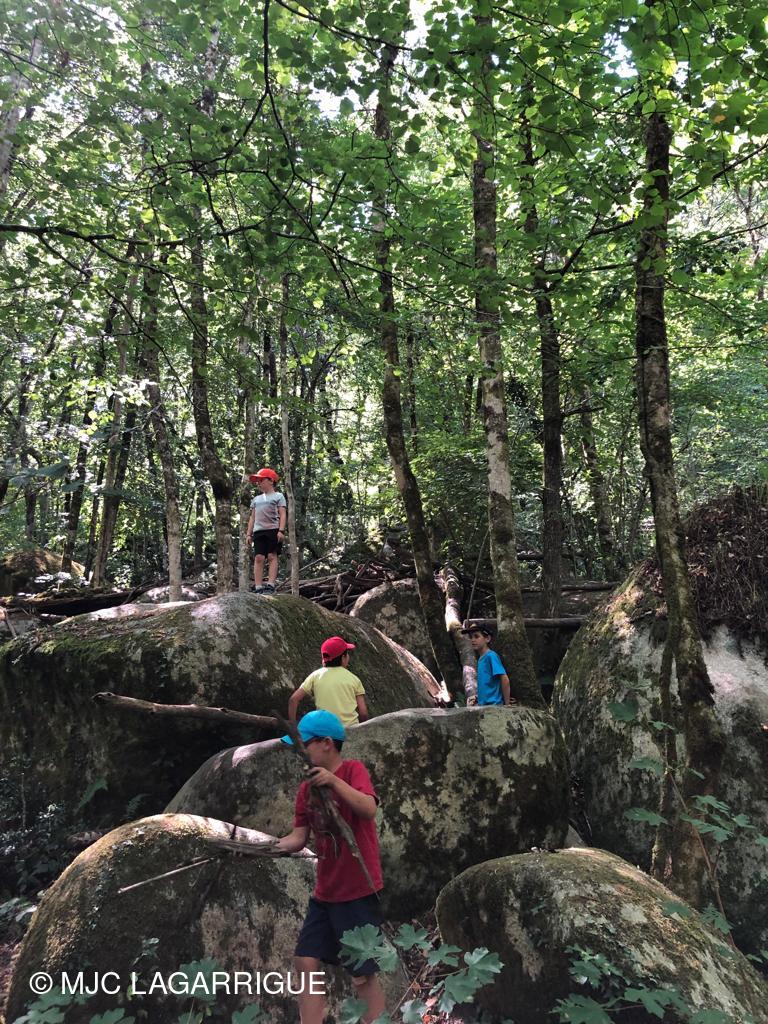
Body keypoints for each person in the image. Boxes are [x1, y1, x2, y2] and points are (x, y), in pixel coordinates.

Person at [275, 710, 385, 1024]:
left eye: (305, 745)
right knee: (305, 960)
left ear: (326, 743)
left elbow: (368, 808)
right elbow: (298, 838)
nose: (301, 753)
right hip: (326, 892)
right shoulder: (306, 789)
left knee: (362, 974)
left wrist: (334, 782)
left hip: (357, 890)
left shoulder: (352, 771)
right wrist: (263, 848)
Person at [288, 636, 369, 728]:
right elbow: (363, 713)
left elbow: (293, 700)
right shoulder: (354, 679)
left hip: (325, 731)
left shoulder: (315, 676)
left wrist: (293, 726)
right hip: (350, 729)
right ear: (343, 657)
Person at [246, 467, 287, 594]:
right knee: (259, 557)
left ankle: (270, 585)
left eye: (261, 480)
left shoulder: (278, 496)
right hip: (259, 531)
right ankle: (258, 586)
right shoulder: (256, 499)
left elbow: (283, 514)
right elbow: (252, 517)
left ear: (271, 481)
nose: (258, 483)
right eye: (257, 481)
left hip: (273, 530)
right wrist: (249, 534)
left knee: (271, 556)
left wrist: (281, 530)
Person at [461, 625, 517, 707]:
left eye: (476, 636)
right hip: (484, 706)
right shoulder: (481, 659)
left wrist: (507, 703)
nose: (473, 640)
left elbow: (504, 679)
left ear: (487, 639)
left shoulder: (491, 656)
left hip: (494, 705)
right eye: (471, 637)